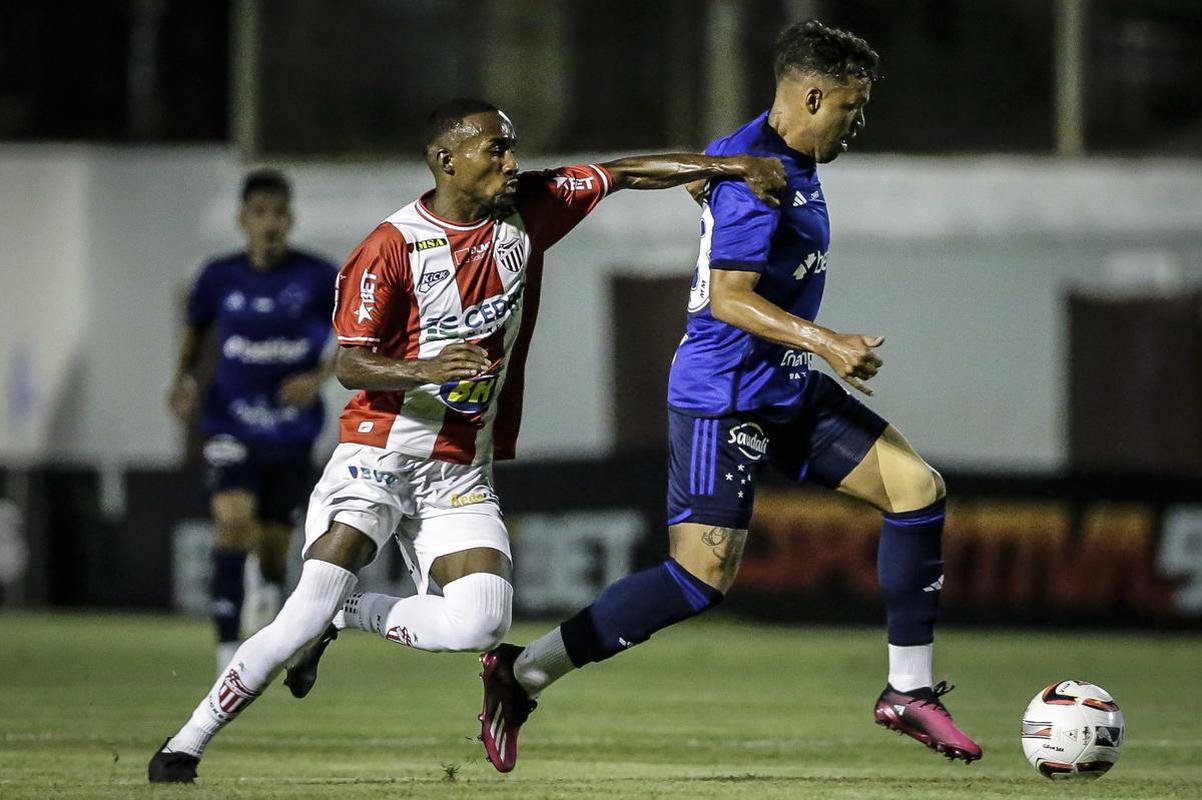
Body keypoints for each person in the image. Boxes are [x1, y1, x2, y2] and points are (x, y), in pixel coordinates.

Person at [148, 98, 786, 783]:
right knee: (300, 613)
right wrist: (425, 369)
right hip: (378, 457)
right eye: (496, 149)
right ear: (446, 161)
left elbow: (624, 172)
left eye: (511, 147)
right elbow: (351, 364)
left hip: (459, 470)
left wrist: (730, 167)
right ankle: (185, 744)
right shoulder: (390, 246)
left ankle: (350, 613)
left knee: (482, 624)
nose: (513, 162)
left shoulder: (530, 208)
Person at [478, 19, 982, 772]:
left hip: (783, 386)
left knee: (917, 489)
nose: (858, 122)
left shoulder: (763, 157)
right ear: (812, 97)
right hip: (726, 395)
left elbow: (714, 185)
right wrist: (828, 342)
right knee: (698, 580)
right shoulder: (757, 176)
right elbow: (729, 299)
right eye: (852, 107)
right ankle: (523, 672)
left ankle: (907, 691)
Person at [167, 169, 338, 675]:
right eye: (260, 213)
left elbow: (361, 333)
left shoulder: (319, 276)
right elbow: (196, 331)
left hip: (291, 429)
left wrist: (319, 377)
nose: (270, 223)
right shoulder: (218, 276)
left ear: (291, 219)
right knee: (231, 519)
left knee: (273, 548)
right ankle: (226, 648)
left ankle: (265, 583)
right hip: (231, 421)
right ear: (243, 219)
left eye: (279, 213)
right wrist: (183, 379)